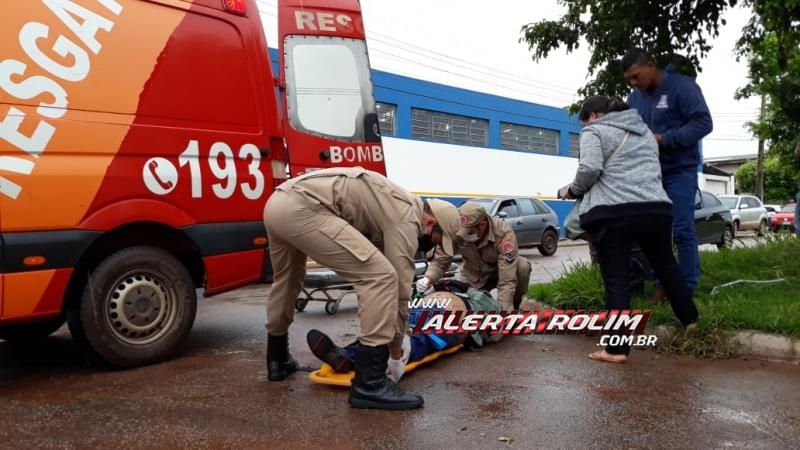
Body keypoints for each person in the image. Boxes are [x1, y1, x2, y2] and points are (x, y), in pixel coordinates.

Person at [263, 167, 451, 410]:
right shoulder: (407, 214)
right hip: (306, 208)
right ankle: (370, 384)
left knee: (287, 280)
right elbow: (401, 284)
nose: (430, 245)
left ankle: (277, 359)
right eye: (435, 239)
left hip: (277, 203)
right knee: (381, 277)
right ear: (430, 221)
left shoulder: (392, 201)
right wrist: (397, 348)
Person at [563, 95, 699, 363]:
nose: (583, 126)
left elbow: (590, 169)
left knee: (617, 280)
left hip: (614, 212)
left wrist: (572, 189)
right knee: (667, 267)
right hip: (656, 208)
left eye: (584, 121)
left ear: (593, 115)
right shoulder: (646, 133)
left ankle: (616, 349)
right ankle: (691, 322)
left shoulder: (594, 131)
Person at [622, 48, 713, 302]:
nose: (633, 83)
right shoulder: (635, 99)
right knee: (653, 232)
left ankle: (687, 287)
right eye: (629, 79)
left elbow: (704, 123)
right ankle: (661, 284)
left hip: (680, 170)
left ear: (651, 65)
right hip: (649, 173)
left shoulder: (682, 88)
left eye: (636, 76)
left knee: (682, 228)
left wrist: (665, 138)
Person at [307, 287, 501, 381]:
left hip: (451, 320)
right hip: (430, 309)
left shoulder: (487, 302)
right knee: (397, 330)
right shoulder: (459, 286)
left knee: (418, 337)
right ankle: (348, 354)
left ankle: (352, 355)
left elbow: (493, 328)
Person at [444, 201, 532, 311]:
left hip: (499, 273)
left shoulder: (503, 234)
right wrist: (429, 279)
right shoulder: (458, 227)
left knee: (522, 266)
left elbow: (507, 279)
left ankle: (516, 302)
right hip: (473, 276)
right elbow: (442, 257)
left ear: (482, 225)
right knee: (465, 309)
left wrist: (503, 313)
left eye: (469, 232)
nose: (464, 235)